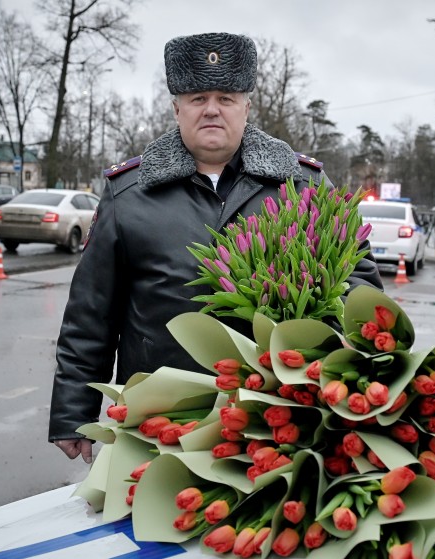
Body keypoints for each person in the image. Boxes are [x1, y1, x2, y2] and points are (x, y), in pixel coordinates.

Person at [49, 32, 384, 463]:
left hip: (279, 424)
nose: (211, 109)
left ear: (247, 107)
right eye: (197, 97)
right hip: (158, 422)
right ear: (177, 108)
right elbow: (91, 315)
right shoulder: (128, 195)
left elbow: (360, 291)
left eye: (226, 98)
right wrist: (72, 414)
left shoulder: (305, 186)